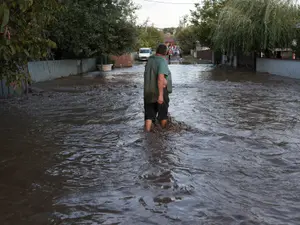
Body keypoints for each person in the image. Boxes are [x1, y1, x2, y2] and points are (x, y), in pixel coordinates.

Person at [144, 44, 172, 132]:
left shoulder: (150, 60)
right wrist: (160, 95)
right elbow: (160, 78)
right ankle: (163, 134)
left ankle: (147, 134)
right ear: (166, 52)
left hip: (148, 91)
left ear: (156, 51)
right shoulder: (162, 61)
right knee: (163, 115)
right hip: (160, 92)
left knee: (149, 115)